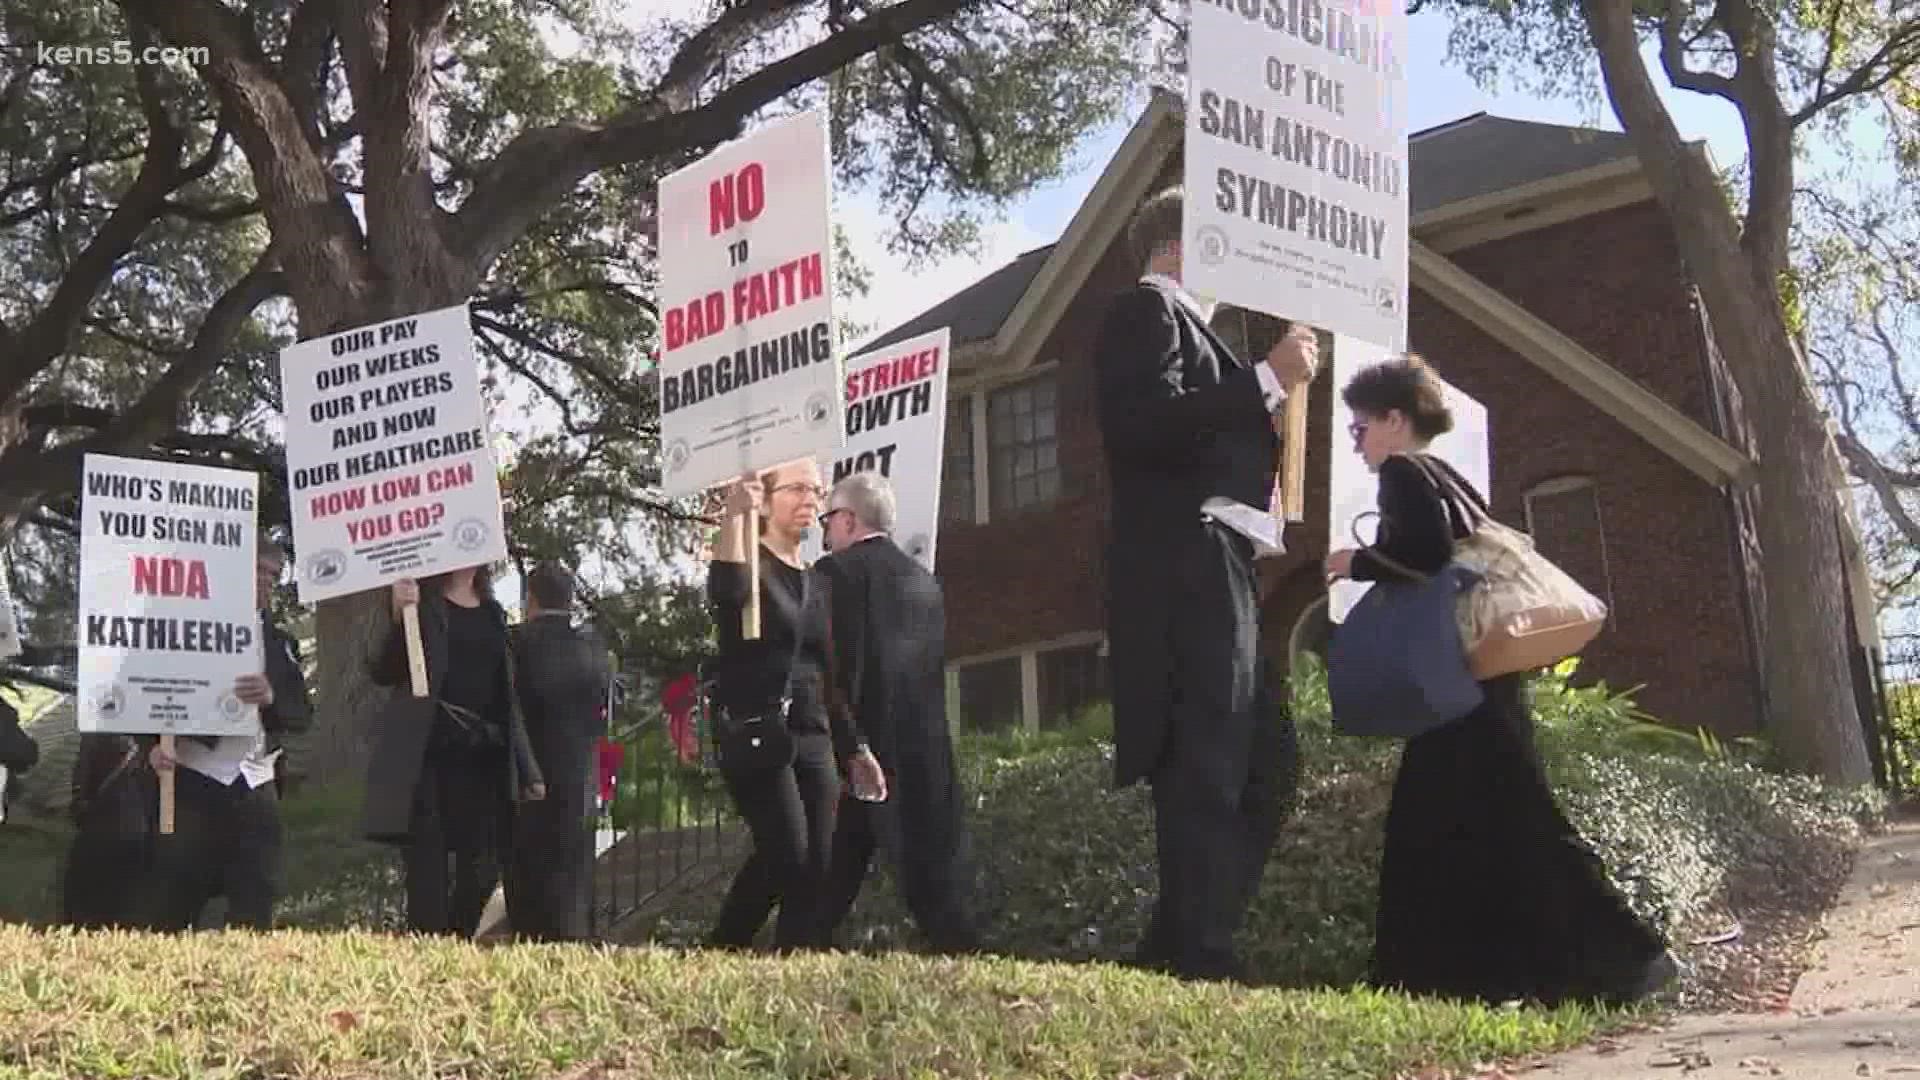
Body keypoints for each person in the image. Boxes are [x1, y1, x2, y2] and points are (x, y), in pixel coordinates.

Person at [1324, 354, 1679, 1005]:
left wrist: (1356, 561)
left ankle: (1618, 959)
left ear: (1395, 420)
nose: (1357, 440)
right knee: (1483, 826)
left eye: (1360, 426)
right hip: (1485, 677)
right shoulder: (1451, 478)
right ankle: (1499, 977)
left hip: (1457, 687)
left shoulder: (1404, 473)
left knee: (1472, 828)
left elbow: (1425, 553)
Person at [1092, 185, 1316, 982]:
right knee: (1208, 755)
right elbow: (1143, 424)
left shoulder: (1200, 334)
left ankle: (1184, 932)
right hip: (1180, 566)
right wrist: (1264, 379)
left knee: (1262, 758)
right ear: (1176, 246)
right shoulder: (1144, 314)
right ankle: (1199, 950)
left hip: (1221, 563)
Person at [812, 471, 975, 953]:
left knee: (831, 871)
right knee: (930, 881)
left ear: (847, 520)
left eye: (827, 519)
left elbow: (828, 666)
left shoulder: (832, 575)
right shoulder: (925, 582)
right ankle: (958, 949)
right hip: (922, 750)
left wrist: (847, 743)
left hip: (859, 750)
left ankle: (802, 942)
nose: (824, 531)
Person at [362, 564, 545, 937]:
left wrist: (528, 770)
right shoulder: (421, 605)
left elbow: (506, 698)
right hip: (428, 757)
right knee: (428, 868)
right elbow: (383, 670)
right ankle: (426, 948)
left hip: (483, 758)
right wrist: (400, 616)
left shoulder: (493, 612)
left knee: (481, 868)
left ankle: (455, 942)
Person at [144, 538, 313, 930]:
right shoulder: (184, 628)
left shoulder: (280, 642)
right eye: (258, 571)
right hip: (190, 775)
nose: (267, 582)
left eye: (274, 574)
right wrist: (151, 745)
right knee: (174, 896)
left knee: (256, 893)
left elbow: (301, 714)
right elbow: (148, 694)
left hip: (255, 780)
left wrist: (271, 696)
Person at [704, 459, 839, 951]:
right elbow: (727, 591)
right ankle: (724, 946)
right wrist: (735, 515)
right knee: (790, 853)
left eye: (818, 491)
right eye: (799, 488)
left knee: (819, 860)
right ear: (768, 497)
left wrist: (856, 747)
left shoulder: (821, 581)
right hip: (759, 726)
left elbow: (832, 670)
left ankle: (795, 964)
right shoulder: (750, 566)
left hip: (813, 732)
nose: (811, 499)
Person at [505, 562, 611, 942]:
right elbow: (603, 702)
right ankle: (575, 935)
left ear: (530, 598)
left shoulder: (516, 643)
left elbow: (507, 705)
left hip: (528, 765)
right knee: (574, 864)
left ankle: (531, 937)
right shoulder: (592, 647)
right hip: (580, 766)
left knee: (528, 863)